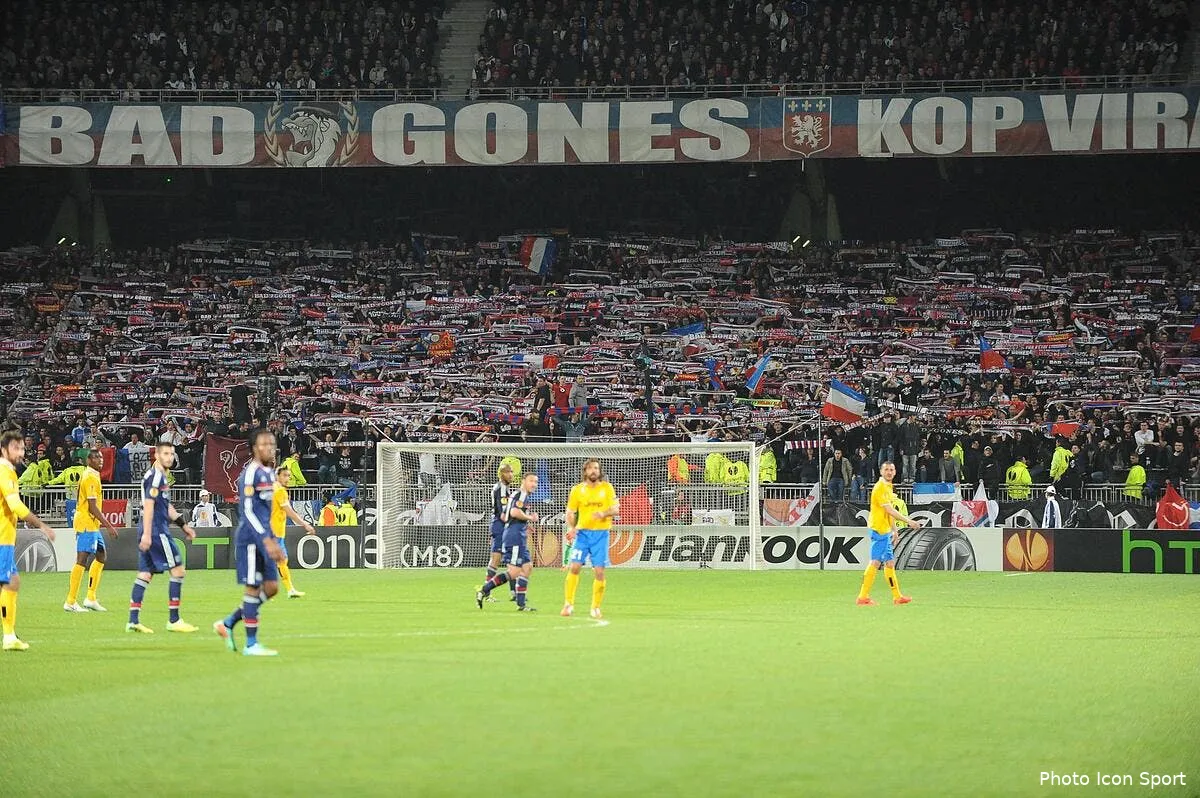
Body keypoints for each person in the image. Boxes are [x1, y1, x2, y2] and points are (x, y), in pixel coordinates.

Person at [214, 429, 286, 656]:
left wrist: (272, 539)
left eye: (272, 444)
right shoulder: (250, 473)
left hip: (266, 537)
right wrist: (267, 539)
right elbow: (248, 512)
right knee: (253, 587)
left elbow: (265, 511)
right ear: (254, 448)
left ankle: (228, 622)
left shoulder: (269, 474)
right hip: (251, 539)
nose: (269, 448)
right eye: (264, 444)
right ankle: (251, 644)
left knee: (272, 588)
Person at [126, 440, 198, 634]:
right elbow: (149, 506)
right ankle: (174, 620)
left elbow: (166, 507)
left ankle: (133, 621)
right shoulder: (156, 477)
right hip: (156, 530)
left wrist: (184, 526)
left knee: (145, 574)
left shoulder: (161, 477)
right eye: (165, 454)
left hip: (150, 529)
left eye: (172, 454)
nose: (169, 457)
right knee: (178, 570)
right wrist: (148, 534)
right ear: (157, 455)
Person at [0, 430, 57, 650]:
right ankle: (8, 637)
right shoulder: (5, 472)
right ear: (4, 450)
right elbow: (15, 505)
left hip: (6, 537)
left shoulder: (9, 471)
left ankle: (9, 635)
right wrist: (41, 525)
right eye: (16, 448)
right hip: (2, 539)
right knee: (9, 582)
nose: (21, 452)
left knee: (12, 582)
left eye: (23, 448)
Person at [856, 461, 923, 606]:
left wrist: (894, 530)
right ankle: (862, 597)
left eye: (891, 469)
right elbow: (889, 510)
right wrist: (909, 521)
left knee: (890, 563)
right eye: (886, 469)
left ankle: (897, 597)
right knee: (875, 562)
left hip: (885, 530)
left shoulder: (888, 486)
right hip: (878, 530)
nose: (889, 472)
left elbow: (889, 511)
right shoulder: (880, 487)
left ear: (895, 472)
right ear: (881, 472)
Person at [562, 458, 619, 619]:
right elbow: (570, 512)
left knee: (599, 571)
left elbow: (616, 509)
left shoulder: (607, 488)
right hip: (583, 535)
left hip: (601, 535)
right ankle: (568, 604)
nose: (593, 471)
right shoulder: (577, 490)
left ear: (600, 471)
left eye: (596, 468)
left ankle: (595, 607)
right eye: (590, 468)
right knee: (574, 567)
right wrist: (571, 528)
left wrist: (603, 513)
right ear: (585, 471)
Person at [64, 449, 120, 613]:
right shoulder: (90, 477)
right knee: (82, 559)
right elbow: (92, 507)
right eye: (96, 457)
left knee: (101, 555)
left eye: (101, 457)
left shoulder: (93, 475)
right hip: (86, 522)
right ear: (88, 460)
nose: (100, 460)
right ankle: (70, 601)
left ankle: (90, 597)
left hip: (92, 523)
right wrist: (108, 525)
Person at [476, 471, 539, 612]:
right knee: (514, 572)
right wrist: (530, 518)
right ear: (523, 481)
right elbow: (514, 512)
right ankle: (484, 590)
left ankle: (521, 605)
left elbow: (506, 515)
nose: (534, 484)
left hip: (517, 535)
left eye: (536, 482)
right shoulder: (521, 494)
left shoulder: (516, 494)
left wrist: (523, 524)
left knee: (527, 567)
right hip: (514, 537)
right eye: (531, 481)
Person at [272, 466, 317, 598]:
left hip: (273, 531)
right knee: (280, 561)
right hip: (274, 532)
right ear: (278, 476)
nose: (288, 478)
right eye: (285, 475)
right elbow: (289, 511)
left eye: (289, 476)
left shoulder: (271, 489)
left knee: (279, 561)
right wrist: (305, 524)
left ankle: (289, 590)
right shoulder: (280, 491)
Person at [481, 462, 517, 603]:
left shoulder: (504, 488)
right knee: (496, 559)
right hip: (500, 526)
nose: (511, 475)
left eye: (512, 472)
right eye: (508, 472)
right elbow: (503, 512)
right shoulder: (501, 488)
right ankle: (486, 592)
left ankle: (514, 593)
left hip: (502, 526)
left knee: (511, 558)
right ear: (502, 474)